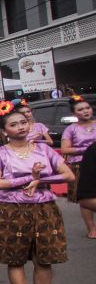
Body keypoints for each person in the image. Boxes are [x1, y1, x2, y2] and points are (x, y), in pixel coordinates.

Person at [0, 103, 74, 284]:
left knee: (44, 259)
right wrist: (28, 178)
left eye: (23, 122)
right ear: (4, 131)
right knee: (15, 260)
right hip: (11, 209)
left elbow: (68, 175)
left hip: (44, 207)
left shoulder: (43, 149)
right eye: (14, 124)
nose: (21, 127)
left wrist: (40, 179)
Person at [59, 96, 96, 238]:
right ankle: (92, 229)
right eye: (80, 109)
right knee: (87, 197)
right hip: (81, 165)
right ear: (74, 114)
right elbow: (65, 149)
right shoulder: (71, 129)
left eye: (87, 108)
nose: (85, 111)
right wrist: (89, 149)